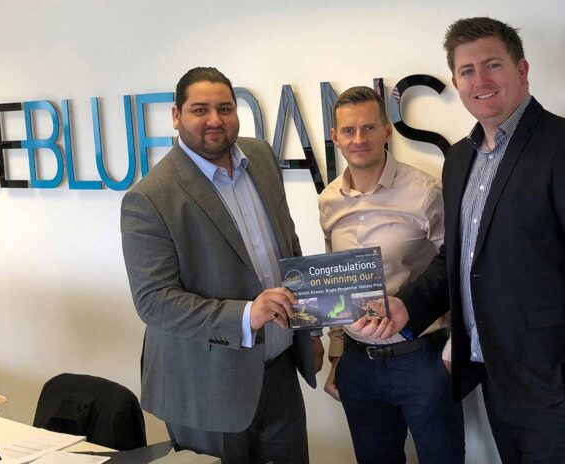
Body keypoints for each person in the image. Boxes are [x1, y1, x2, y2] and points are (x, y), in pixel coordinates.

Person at [358, 17, 565, 462]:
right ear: (455, 82)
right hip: (493, 373)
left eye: (493, 65)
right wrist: (407, 306)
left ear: (522, 69)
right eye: (467, 71)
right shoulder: (458, 160)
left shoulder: (560, 145)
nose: (480, 81)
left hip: (553, 380)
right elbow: (457, 257)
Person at [121, 66, 323, 463]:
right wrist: (247, 314)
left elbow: (288, 245)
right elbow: (154, 302)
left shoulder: (261, 156)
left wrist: (310, 328)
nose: (215, 119)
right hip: (207, 386)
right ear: (176, 115)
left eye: (225, 108)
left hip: (280, 370)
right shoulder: (150, 197)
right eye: (200, 110)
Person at [319, 86, 464, 464]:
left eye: (369, 128)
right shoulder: (328, 201)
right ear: (335, 137)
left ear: (386, 131)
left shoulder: (426, 192)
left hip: (422, 359)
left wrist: (452, 355)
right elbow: (337, 284)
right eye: (348, 130)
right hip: (358, 366)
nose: (358, 138)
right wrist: (337, 356)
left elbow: (457, 267)